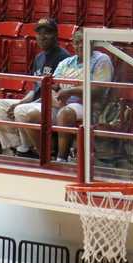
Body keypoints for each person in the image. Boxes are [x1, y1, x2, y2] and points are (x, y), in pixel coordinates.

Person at [0, 17, 71, 159]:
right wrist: (21, 102)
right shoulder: (39, 58)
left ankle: (32, 150)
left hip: (52, 104)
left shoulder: (64, 58)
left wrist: (23, 105)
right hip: (36, 102)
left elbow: (60, 92)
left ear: (56, 35)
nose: (42, 37)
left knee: (21, 110)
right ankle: (20, 148)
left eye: (47, 32)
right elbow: (34, 89)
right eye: (39, 33)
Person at [52, 27, 114, 163]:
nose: (80, 45)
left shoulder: (102, 60)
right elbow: (54, 84)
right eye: (76, 42)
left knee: (65, 113)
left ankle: (61, 159)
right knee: (30, 113)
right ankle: (32, 153)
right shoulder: (66, 63)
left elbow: (98, 89)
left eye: (83, 41)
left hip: (88, 105)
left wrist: (69, 91)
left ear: (91, 43)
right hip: (62, 102)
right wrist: (58, 93)